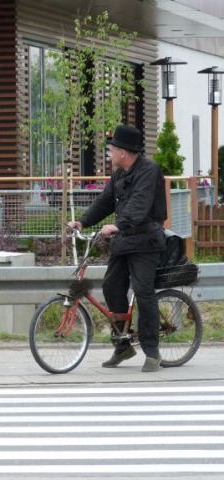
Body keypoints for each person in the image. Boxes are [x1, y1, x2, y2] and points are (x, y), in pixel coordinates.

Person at [68, 125, 167, 373]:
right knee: (111, 286)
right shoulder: (119, 174)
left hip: (146, 242)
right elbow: (105, 201)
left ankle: (152, 351)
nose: (109, 154)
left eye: (111, 150)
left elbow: (139, 204)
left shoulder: (149, 171)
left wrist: (117, 225)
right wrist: (83, 221)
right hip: (124, 241)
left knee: (143, 291)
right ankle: (122, 345)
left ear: (123, 152)